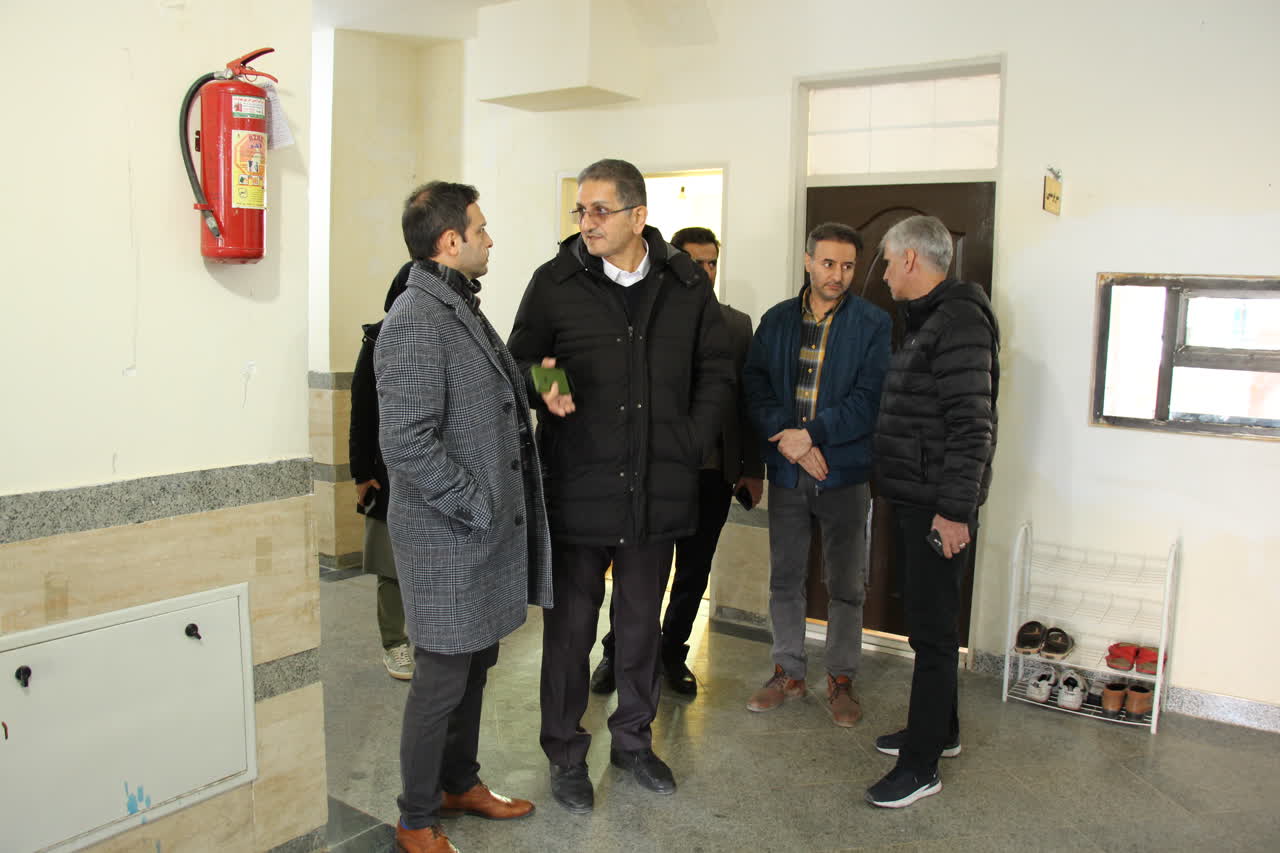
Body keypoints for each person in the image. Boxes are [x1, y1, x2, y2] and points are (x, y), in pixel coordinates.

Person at [508, 158, 734, 813]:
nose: (587, 222)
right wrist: (546, 386)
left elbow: (716, 370)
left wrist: (691, 441)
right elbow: (519, 358)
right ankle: (565, 753)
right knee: (570, 635)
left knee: (639, 630)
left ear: (639, 216)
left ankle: (634, 742)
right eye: (581, 210)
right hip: (578, 484)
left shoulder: (684, 284)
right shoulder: (555, 281)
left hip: (655, 488)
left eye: (601, 210)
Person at [376, 181, 554, 852]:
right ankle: (416, 818)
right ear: (450, 241)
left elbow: (493, 395)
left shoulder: (458, 304)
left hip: (475, 536)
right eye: (481, 229)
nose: (489, 239)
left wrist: (548, 386)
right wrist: (476, 504)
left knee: (475, 665)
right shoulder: (416, 317)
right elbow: (406, 442)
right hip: (447, 535)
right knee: (441, 680)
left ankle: (459, 784)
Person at [589, 226, 764, 698]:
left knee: (693, 571)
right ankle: (616, 653)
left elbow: (746, 402)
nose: (705, 271)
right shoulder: (647, 318)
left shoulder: (736, 324)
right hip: (655, 472)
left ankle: (671, 653)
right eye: (695, 262)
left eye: (712, 263)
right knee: (638, 571)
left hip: (712, 473)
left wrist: (751, 468)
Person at [864, 214, 999, 808]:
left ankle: (920, 768)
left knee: (935, 636)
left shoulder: (958, 321)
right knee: (930, 626)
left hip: (938, 508)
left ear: (911, 259)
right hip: (918, 498)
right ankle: (940, 732)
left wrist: (954, 512)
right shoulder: (930, 319)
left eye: (888, 261)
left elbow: (973, 427)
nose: (884, 274)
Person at [741, 222, 890, 728]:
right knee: (785, 578)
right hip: (788, 473)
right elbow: (755, 387)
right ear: (808, 261)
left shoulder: (872, 323)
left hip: (844, 474)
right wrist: (790, 440)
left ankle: (841, 677)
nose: (837, 275)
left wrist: (811, 435)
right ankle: (788, 672)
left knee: (845, 583)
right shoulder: (778, 319)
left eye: (847, 266)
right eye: (828, 263)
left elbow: (869, 399)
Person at [349, 261, 413, 680]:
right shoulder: (377, 340)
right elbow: (362, 410)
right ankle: (394, 642)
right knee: (391, 565)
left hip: (431, 472)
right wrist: (361, 472)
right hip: (387, 471)